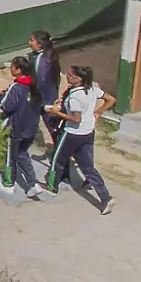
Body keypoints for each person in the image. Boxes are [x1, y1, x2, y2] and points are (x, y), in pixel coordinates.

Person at [44, 66, 116, 214]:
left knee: (57, 160)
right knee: (88, 167)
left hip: (72, 133)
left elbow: (75, 119)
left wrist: (56, 112)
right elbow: (110, 99)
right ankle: (105, 197)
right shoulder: (92, 89)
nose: (67, 76)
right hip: (88, 132)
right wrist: (98, 112)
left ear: (78, 79)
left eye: (70, 75)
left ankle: (51, 187)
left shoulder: (76, 97)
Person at [0, 55, 45, 199]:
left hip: (15, 128)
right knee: (22, 154)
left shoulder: (17, 87)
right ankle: (32, 184)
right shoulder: (34, 86)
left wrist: (2, 96)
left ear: (18, 70)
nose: (10, 69)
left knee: (9, 156)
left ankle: (8, 184)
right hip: (30, 128)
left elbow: (7, 105)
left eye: (12, 67)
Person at [29, 30, 62, 148]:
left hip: (42, 98)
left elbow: (38, 79)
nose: (29, 43)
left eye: (32, 40)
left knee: (51, 125)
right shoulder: (50, 55)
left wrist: (30, 95)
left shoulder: (41, 60)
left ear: (39, 44)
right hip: (50, 96)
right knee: (51, 125)